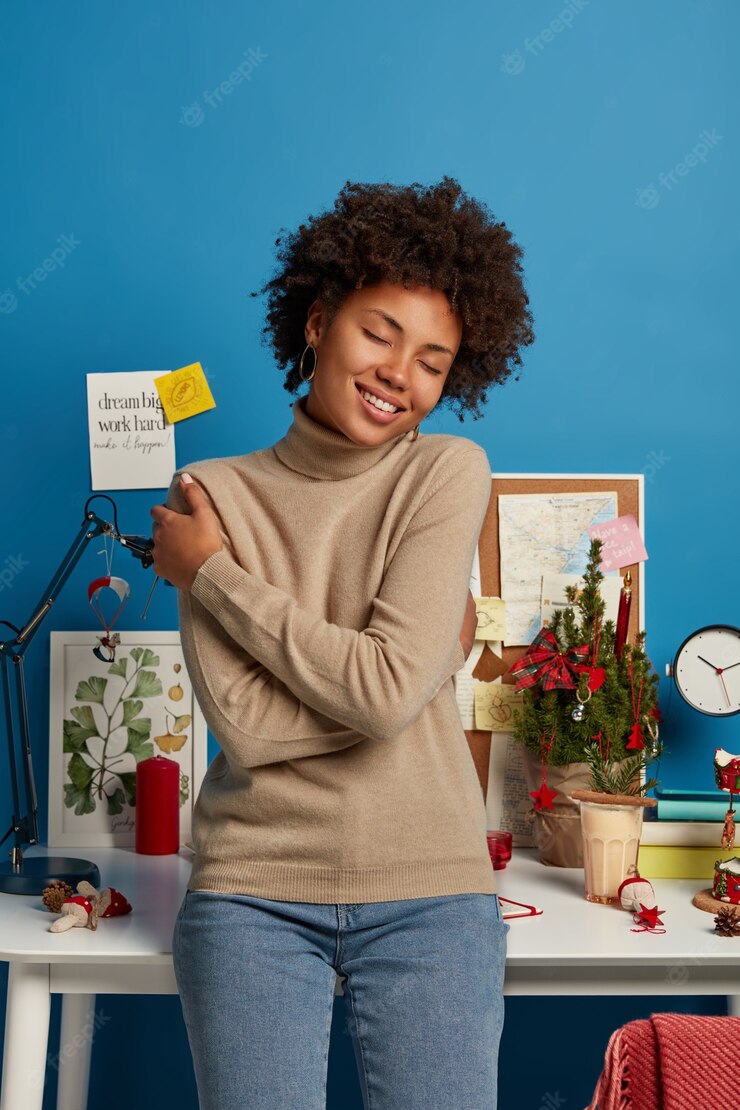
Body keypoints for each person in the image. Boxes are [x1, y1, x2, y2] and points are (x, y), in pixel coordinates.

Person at [150, 176, 534, 1110]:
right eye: (379, 333)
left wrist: (216, 579)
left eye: (435, 361)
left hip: (434, 894)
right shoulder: (207, 493)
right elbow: (251, 728)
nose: (401, 373)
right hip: (253, 893)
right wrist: (418, 665)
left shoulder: (448, 471)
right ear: (318, 320)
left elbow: (383, 691)